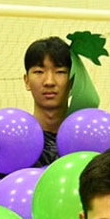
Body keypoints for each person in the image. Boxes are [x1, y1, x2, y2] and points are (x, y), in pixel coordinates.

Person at [25, 37, 73, 166]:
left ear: (72, 81)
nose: (49, 82)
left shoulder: (86, 138)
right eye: (39, 72)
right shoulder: (15, 139)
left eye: (60, 72)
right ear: (27, 81)